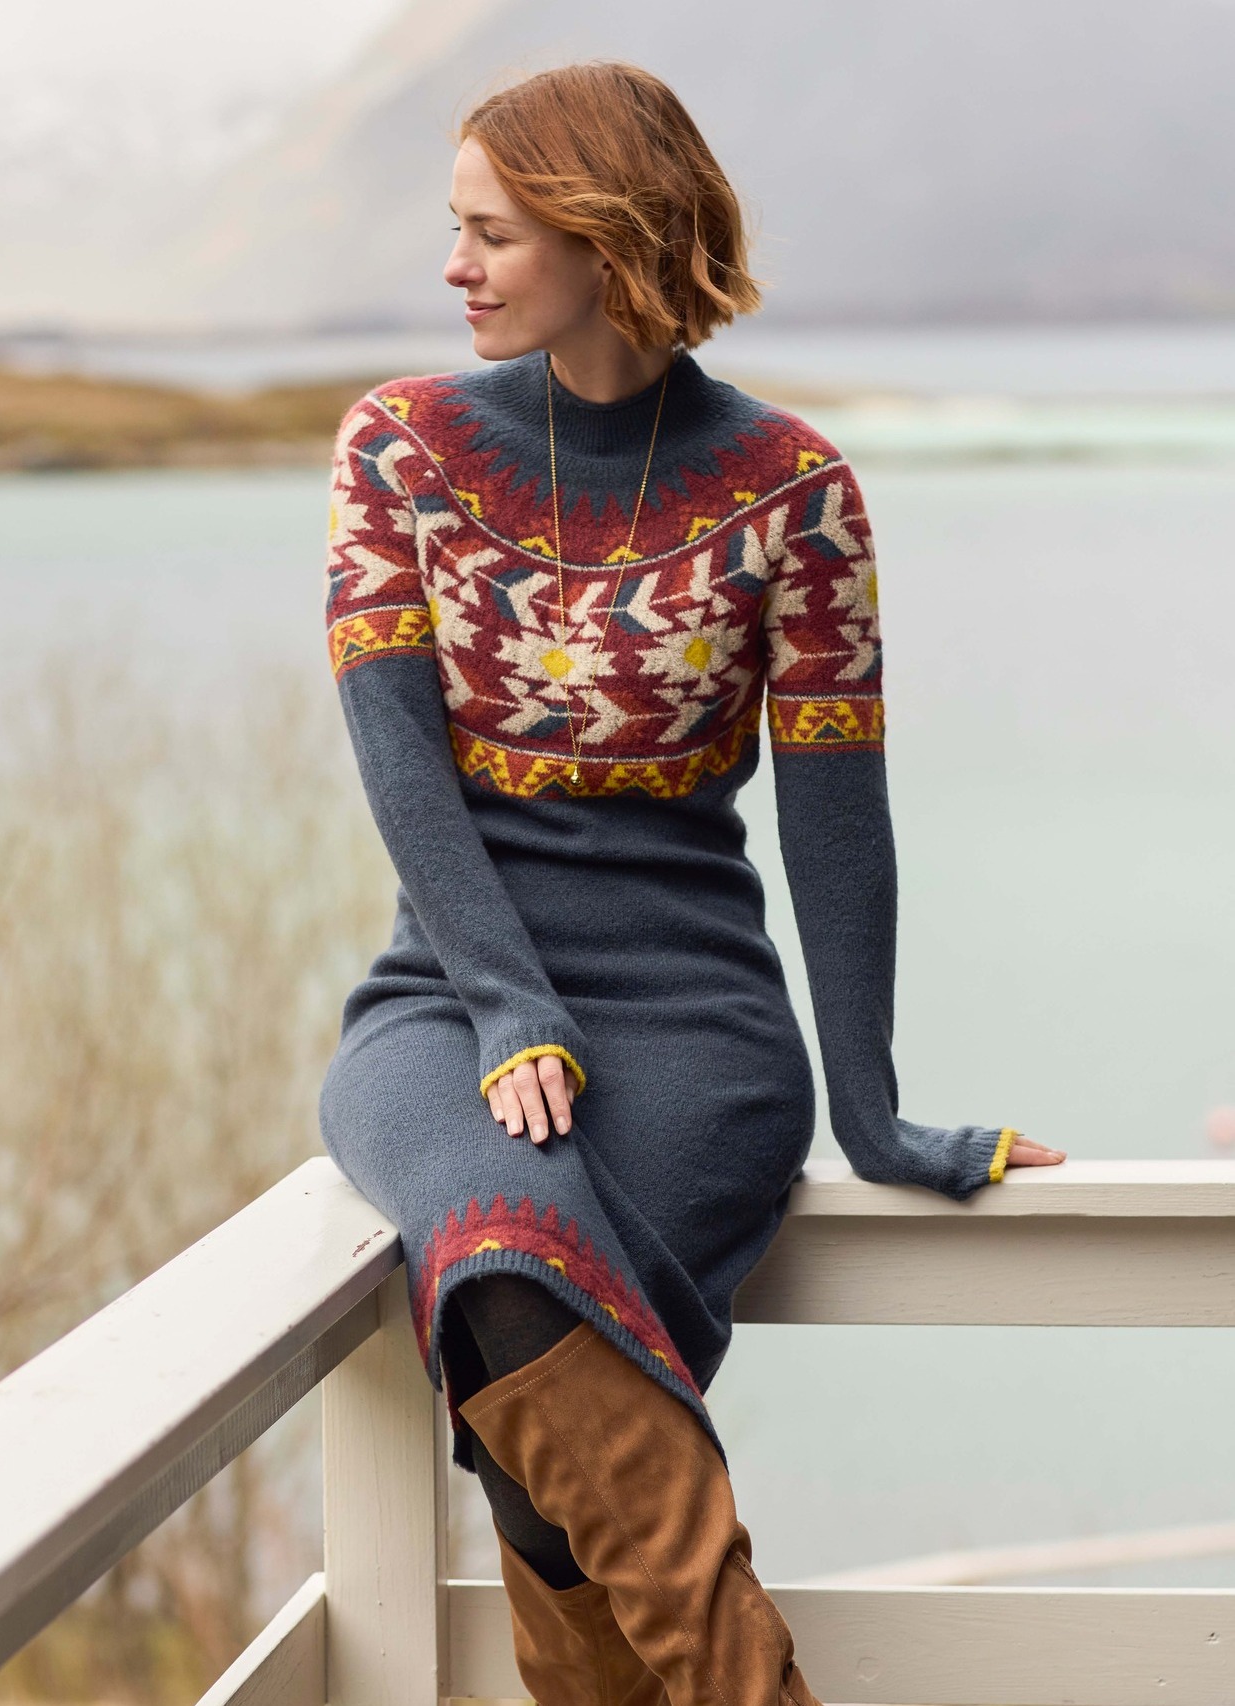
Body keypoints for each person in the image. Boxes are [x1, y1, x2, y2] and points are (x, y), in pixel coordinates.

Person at [317, 58, 1066, 1706]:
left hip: (695, 1027)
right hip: (446, 1005)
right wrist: (509, 1003)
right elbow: (397, 763)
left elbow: (837, 824)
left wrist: (870, 1115)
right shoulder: (400, 449)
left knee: (535, 1419)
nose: (453, 267)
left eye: (491, 234)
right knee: (505, 1268)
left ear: (605, 237)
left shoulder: (794, 493)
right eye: (453, 229)